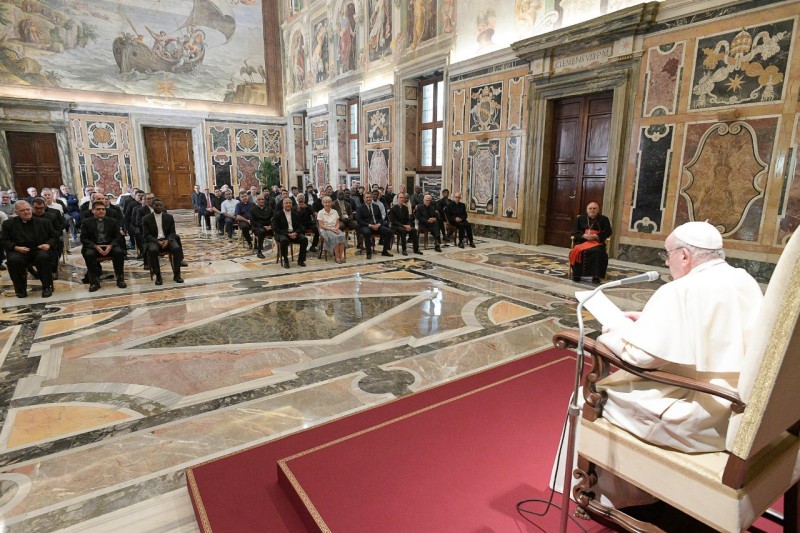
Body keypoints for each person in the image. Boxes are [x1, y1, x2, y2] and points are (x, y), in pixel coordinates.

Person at [553, 221, 764, 508]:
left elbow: (640, 358)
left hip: (696, 414)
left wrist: (614, 333)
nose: (668, 264)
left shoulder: (680, 290)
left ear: (685, 256)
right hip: (739, 408)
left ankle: (611, 495)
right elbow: (712, 329)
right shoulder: (743, 279)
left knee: (583, 397)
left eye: (668, 256)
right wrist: (649, 322)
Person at [1, 201, 58, 298]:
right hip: (19, 251)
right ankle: (21, 289)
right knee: (14, 260)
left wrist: (48, 244)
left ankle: (46, 287)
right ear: (16, 212)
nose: (26, 212)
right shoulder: (8, 224)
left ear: (31, 209)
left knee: (44, 257)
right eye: (22, 210)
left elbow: (54, 237)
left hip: (39, 250)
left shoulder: (44, 222)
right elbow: (4, 241)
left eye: (28, 209)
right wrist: (16, 247)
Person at [80, 200, 127, 291]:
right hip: (94, 246)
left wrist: (111, 245)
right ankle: (95, 281)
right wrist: (95, 246)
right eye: (98, 209)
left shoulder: (112, 221)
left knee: (119, 252)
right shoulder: (86, 222)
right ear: (93, 211)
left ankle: (119, 278)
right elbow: (83, 238)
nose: (101, 211)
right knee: (89, 254)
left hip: (110, 245)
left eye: (103, 209)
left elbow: (118, 236)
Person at [142, 199, 184, 285]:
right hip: (153, 240)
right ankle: (158, 275)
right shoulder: (146, 218)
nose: (159, 207)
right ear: (152, 206)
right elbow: (147, 234)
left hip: (167, 239)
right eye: (156, 206)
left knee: (176, 248)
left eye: (161, 205)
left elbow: (172, 232)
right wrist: (157, 241)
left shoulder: (169, 217)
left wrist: (167, 240)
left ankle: (177, 274)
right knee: (153, 250)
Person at [570, 202, 612, 283]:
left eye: (594, 208)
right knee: (577, 251)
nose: (592, 210)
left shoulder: (604, 219)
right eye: (590, 208)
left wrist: (596, 236)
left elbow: (608, 232)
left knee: (598, 252)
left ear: (598, 210)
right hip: (582, 241)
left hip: (597, 242)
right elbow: (574, 231)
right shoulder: (580, 218)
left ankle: (596, 276)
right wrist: (584, 235)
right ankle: (577, 275)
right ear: (587, 210)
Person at [356, 191, 393, 259]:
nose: (368, 199)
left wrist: (378, 224)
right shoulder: (360, 208)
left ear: (371, 198)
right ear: (364, 198)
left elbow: (380, 218)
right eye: (367, 197)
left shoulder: (376, 206)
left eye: (370, 197)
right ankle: (369, 253)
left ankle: (384, 251)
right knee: (367, 232)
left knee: (389, 232)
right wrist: (370, 225)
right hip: (366, 226)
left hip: (377, 226)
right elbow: (359, 220)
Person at [273, 197, 308, 268]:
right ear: (283, 205)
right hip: (282, 234)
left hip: (294, 233)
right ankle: (286, 260)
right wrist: (288, 234)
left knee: (304, 239)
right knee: (284, 240)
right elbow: (276, 229)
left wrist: (296, 233)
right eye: (286, 203)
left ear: (292, 205)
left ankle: (300, 260)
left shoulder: (295, 214)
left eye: (290, 203)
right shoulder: (277, 214)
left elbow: (299, 227)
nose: (288, 204)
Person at [317, 196, 346, 263]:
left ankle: (341, 256)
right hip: (325, 229)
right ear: (323, 203)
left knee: (342, 236)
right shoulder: (320, 212)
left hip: (334, 228)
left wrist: (336, 228)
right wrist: (331, 229)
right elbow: (321, 225)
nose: (327, 204)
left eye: (329, 202)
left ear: (331, 203)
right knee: (335, 237)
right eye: (325, 202)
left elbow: (337, 223)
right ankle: (337, 257)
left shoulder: (335, 211)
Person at [250, 194, 274, 259]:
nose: (261, 201)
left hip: (269, 226)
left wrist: (271, 226)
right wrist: (263, 226)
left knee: (278, 229)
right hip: (258, 227)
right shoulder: (253, 210)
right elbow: (253, 221)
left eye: (262, 199)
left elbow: (274, 218)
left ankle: (281, 250)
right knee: (261, 231)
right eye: (259, 199)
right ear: (256, 201)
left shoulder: (269, 209)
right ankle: (259, 252)